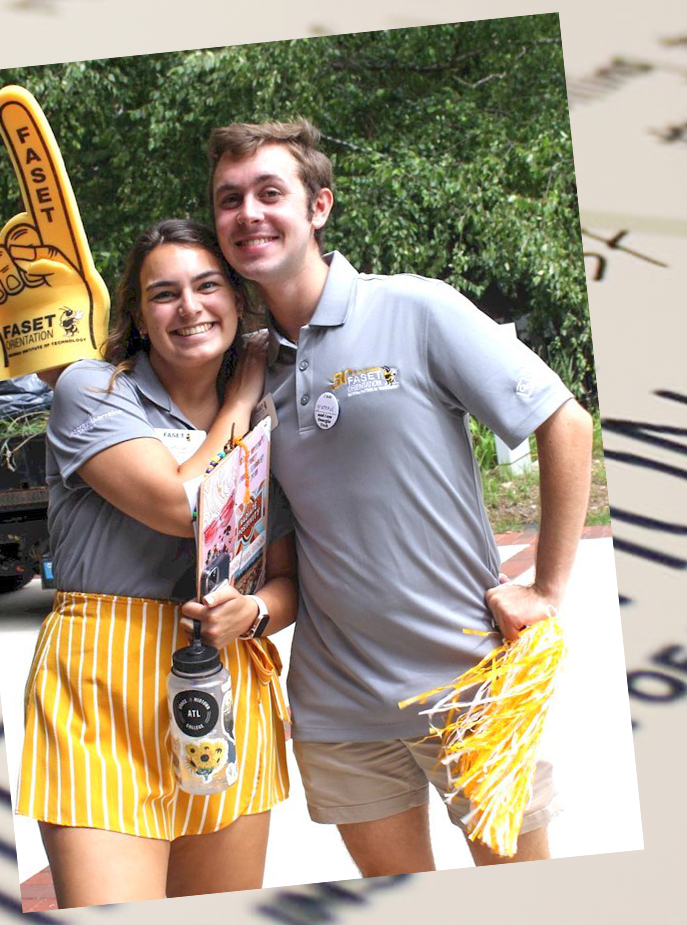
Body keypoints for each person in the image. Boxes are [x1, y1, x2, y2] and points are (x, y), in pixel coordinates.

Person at [204, 118, 593, 873]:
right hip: (340, 704)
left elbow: (565, 421)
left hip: (471, 683)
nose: (248, 212)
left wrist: (548, 586)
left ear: (319, 206)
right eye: (229, 199)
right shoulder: (247, 370)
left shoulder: (416, 308)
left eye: (269, 192)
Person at [15, 219, 299, 906]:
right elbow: (184, 505)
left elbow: (286, 577)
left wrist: (254, 613)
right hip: (100, 688)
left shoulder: (274, 411)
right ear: (139, 317)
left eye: (207, 285)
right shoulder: (93, 390)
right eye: (164, 294)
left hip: (225, 680)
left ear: (237, 298)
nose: (191, 307)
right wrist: (240, 402)